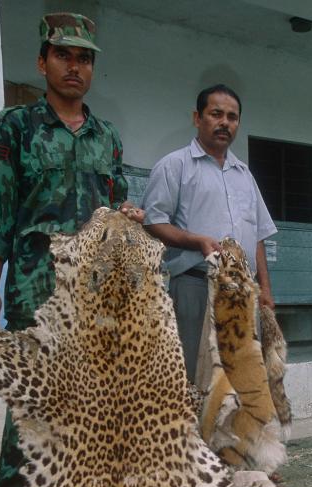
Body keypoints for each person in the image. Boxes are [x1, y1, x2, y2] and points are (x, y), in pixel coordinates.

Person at [0, 13, 127, 487]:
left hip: (95, 289)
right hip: (33, 284)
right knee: (31, 393)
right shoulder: (15, 126)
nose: (74, 67)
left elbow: (118, 208)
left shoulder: (107, 136)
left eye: (84, 58)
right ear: (43, 62)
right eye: (63, 55)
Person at [123, 84, 276, 381]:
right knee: (191, 376)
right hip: (195, 287)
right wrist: (196, 241)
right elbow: (153, 222)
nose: (224, 123)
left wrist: (266, 290)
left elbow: (257, 234)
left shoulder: (245, 175)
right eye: (216, 114)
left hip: (243, 292)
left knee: (240, 377)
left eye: (232, 117)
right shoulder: (175, 166)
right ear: (197, 117)